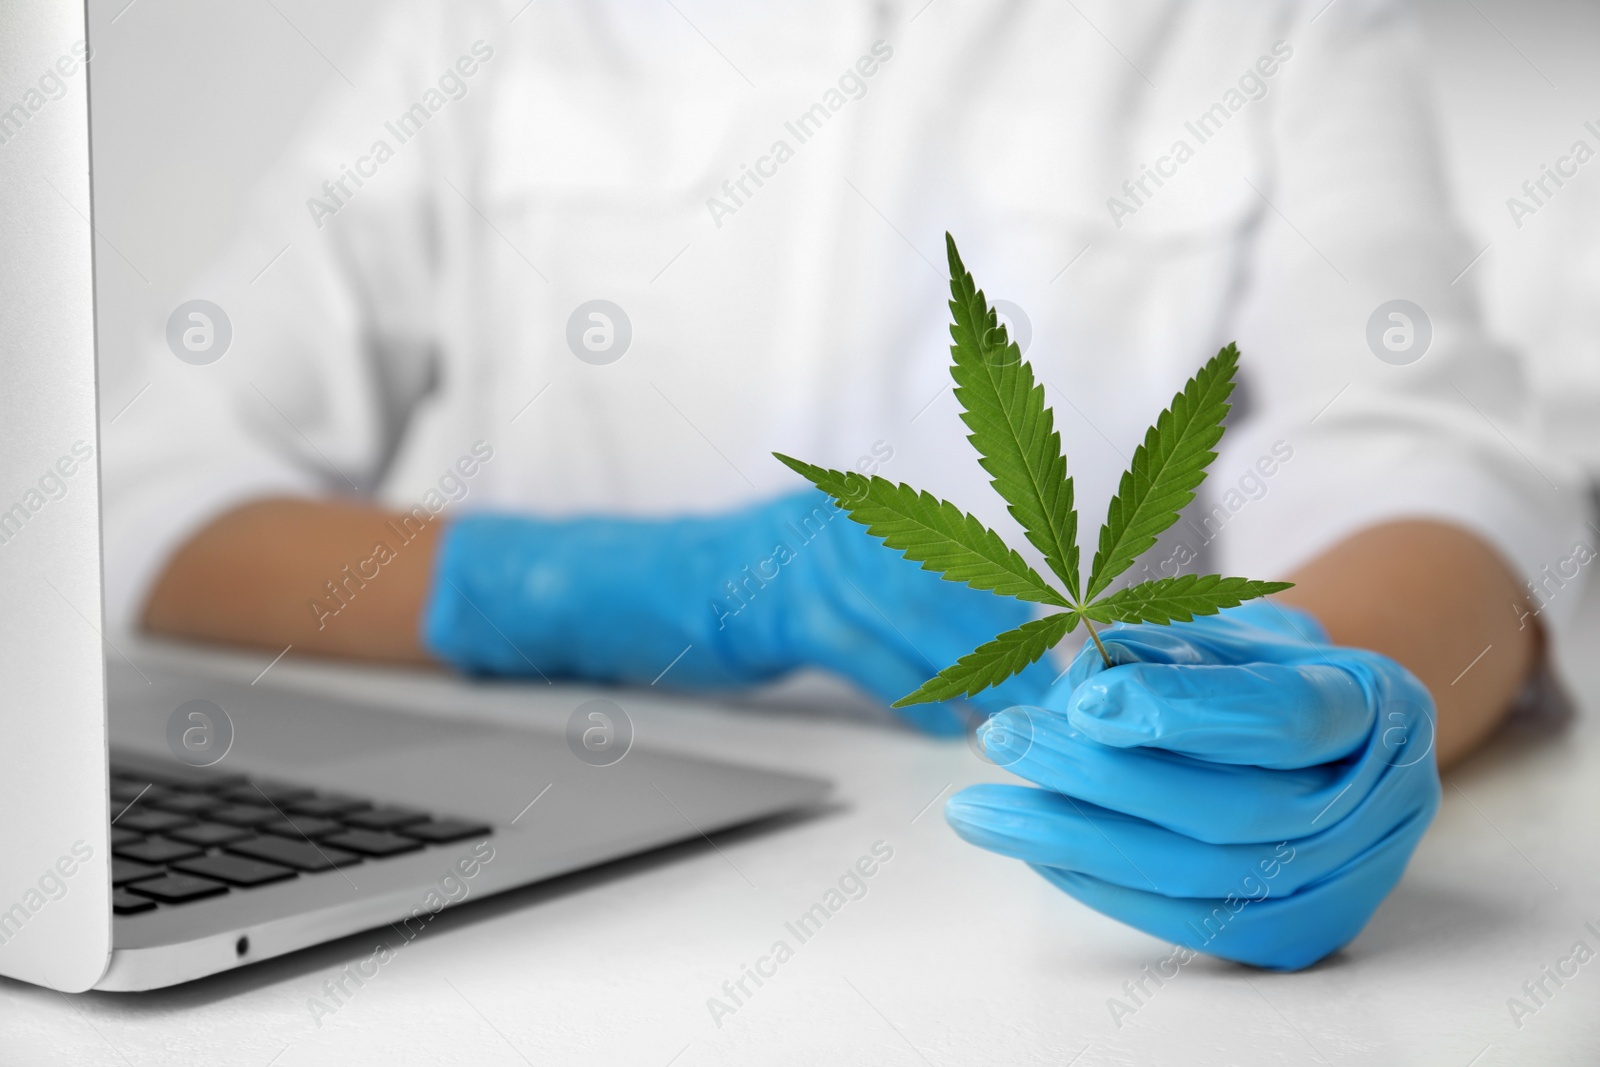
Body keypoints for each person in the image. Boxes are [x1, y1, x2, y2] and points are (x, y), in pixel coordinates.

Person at [102, 0, 1586, 970]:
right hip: (530, 902)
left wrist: (1334, 695)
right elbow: (155, 502)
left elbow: (1425, 458)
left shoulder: (1275, 26)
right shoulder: (487, 23)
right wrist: (608, 590)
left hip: (1051, 916)